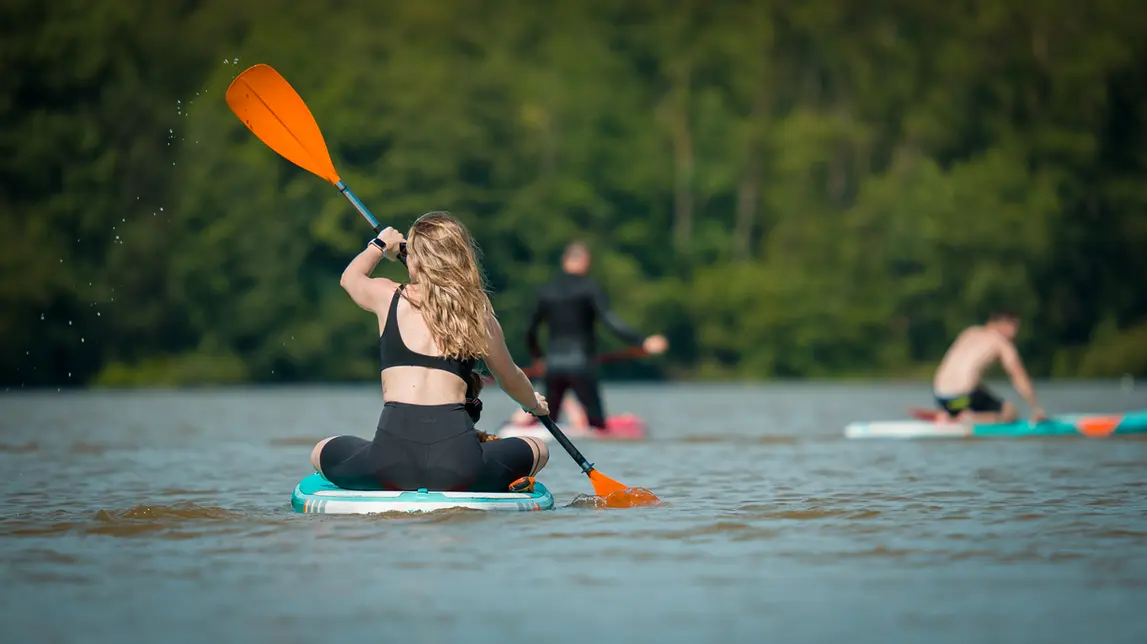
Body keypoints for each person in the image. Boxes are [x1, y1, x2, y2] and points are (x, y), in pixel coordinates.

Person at [310, 212, 550, 492]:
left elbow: (350, 279)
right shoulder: (477, 313)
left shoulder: (388, 297)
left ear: (417, 260)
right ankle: (489, 468)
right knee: (539, 448)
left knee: (320, 450)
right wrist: (532, 404)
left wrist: (380, 245)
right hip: (459, 470)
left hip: (388, 467)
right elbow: (510, 379)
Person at [525, 241, 667, 432]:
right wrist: (643, 341)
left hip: (553, 366)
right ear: (585, 262)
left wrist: (538, 358)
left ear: (564, 261)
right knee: (597, 425)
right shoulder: (589, 288)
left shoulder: (546, 291)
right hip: (581, 364)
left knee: (550, 424)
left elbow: (530, 331)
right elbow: (611, 321)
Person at [931, 311, 1045, 423]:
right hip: (965, 399)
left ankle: (950, 414)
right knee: (1010, 412)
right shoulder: (1001, 342)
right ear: (1005, 324)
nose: (1016, 333)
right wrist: (1036, 408)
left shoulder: (970, 333)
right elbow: (1019, 376)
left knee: (976, 390)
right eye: (1015, 327)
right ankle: (969, 418)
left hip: (941, 398)